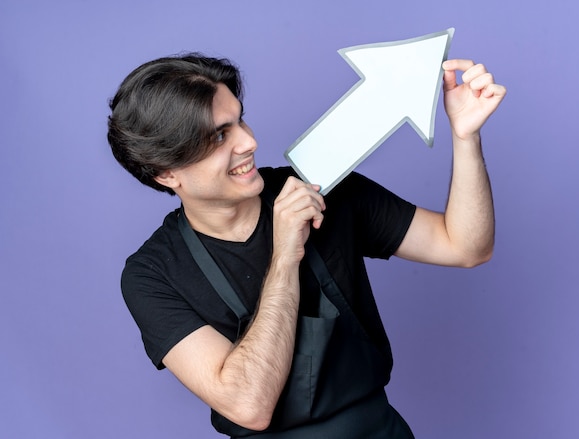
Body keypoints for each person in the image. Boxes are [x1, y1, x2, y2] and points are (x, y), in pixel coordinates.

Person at [107, 52, 506, 438]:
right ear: (166, 173)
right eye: (219, 136)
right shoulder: (152, 274)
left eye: (240, 121)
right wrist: (285, 256)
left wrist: (465, 137)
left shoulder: (318, 183)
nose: (249, 142)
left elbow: (466, 247)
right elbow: (248, 405)